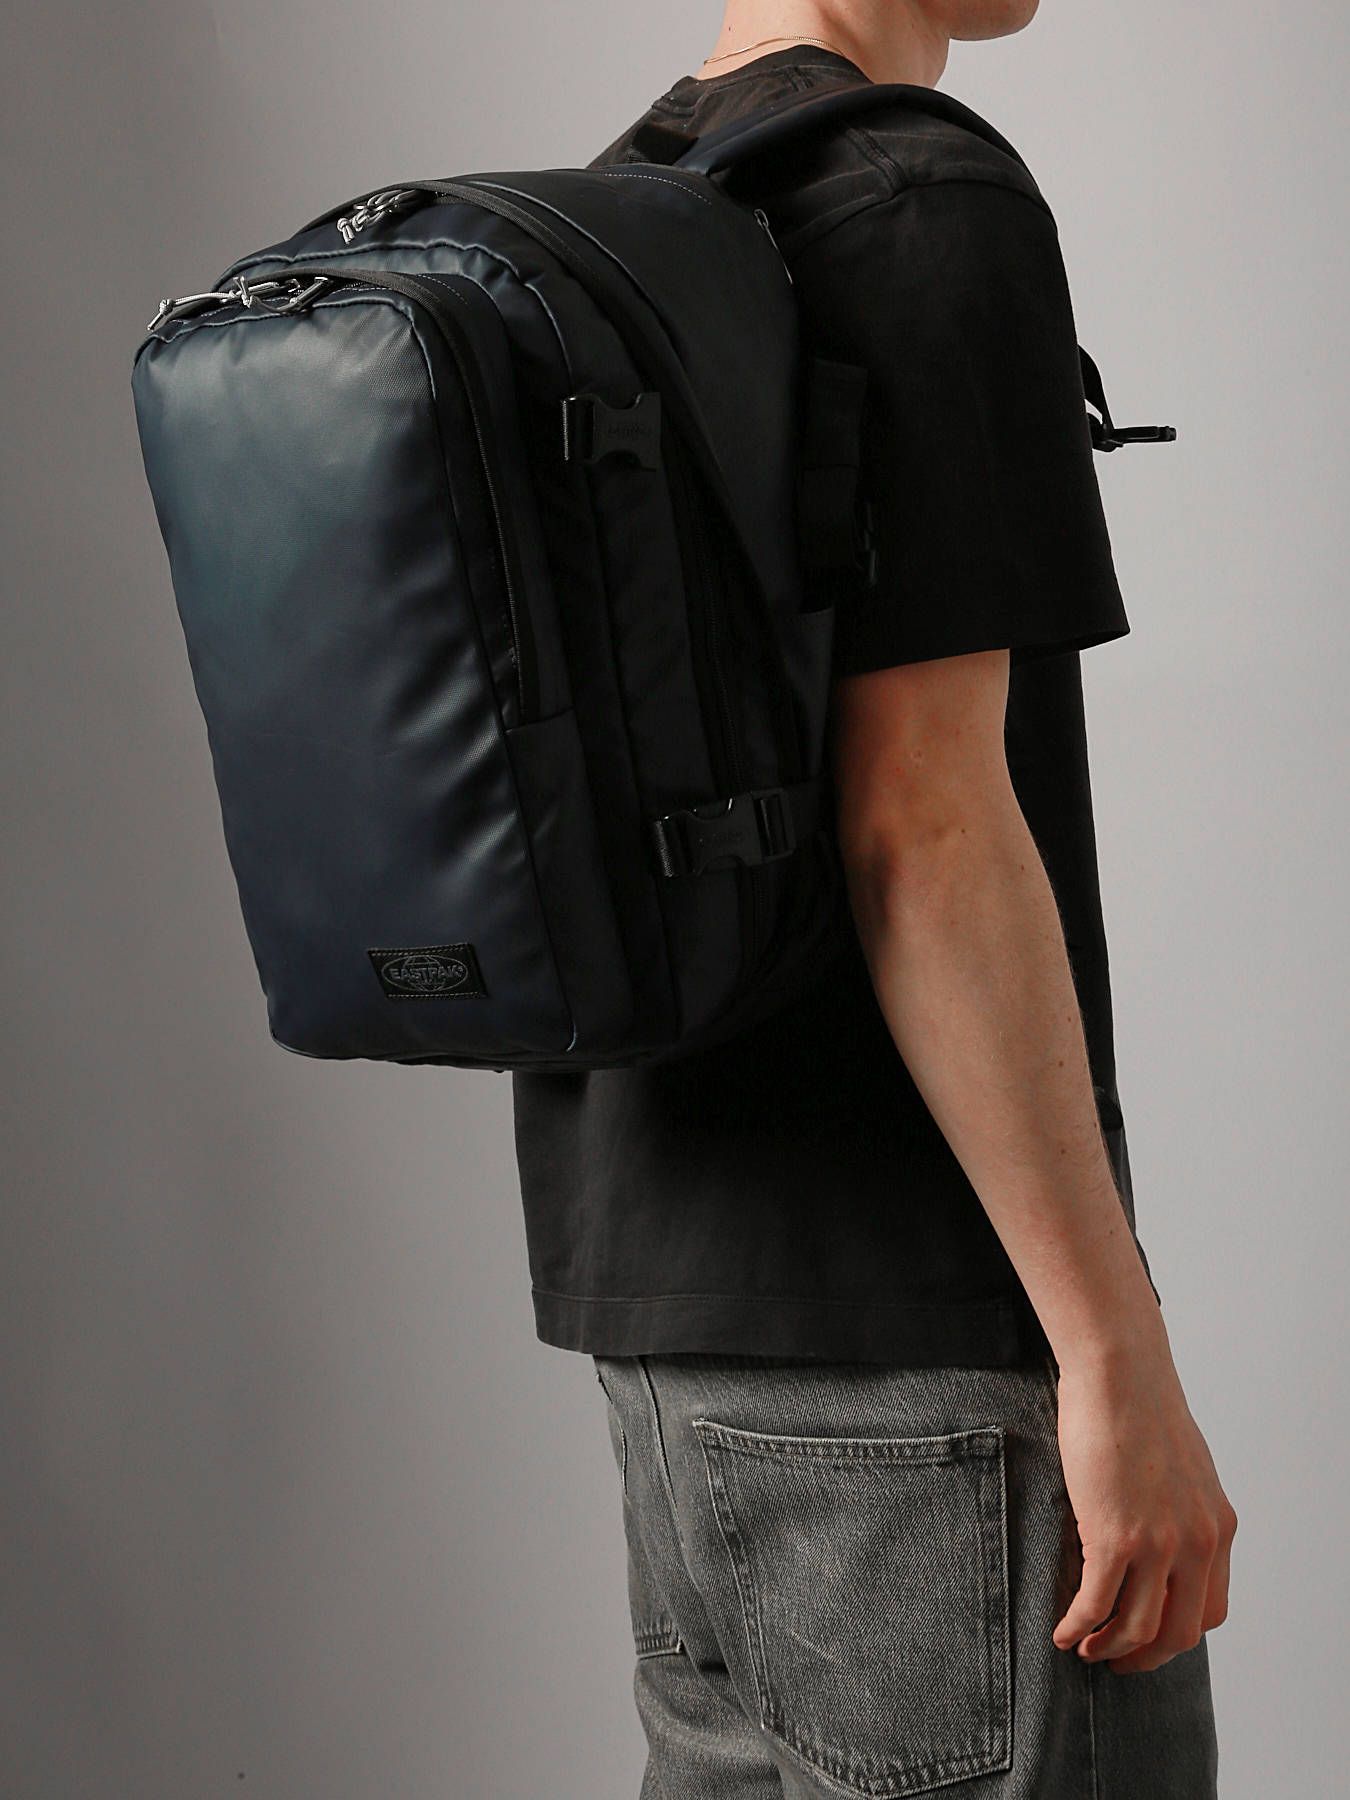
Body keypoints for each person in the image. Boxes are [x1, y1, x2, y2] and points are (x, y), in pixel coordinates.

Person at [510, 3, 1238, 1792]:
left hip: (669, 1320)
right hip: (916, 1357)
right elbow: (919, 826)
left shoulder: (620, 209)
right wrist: (1111, 1355)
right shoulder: (910, 198)